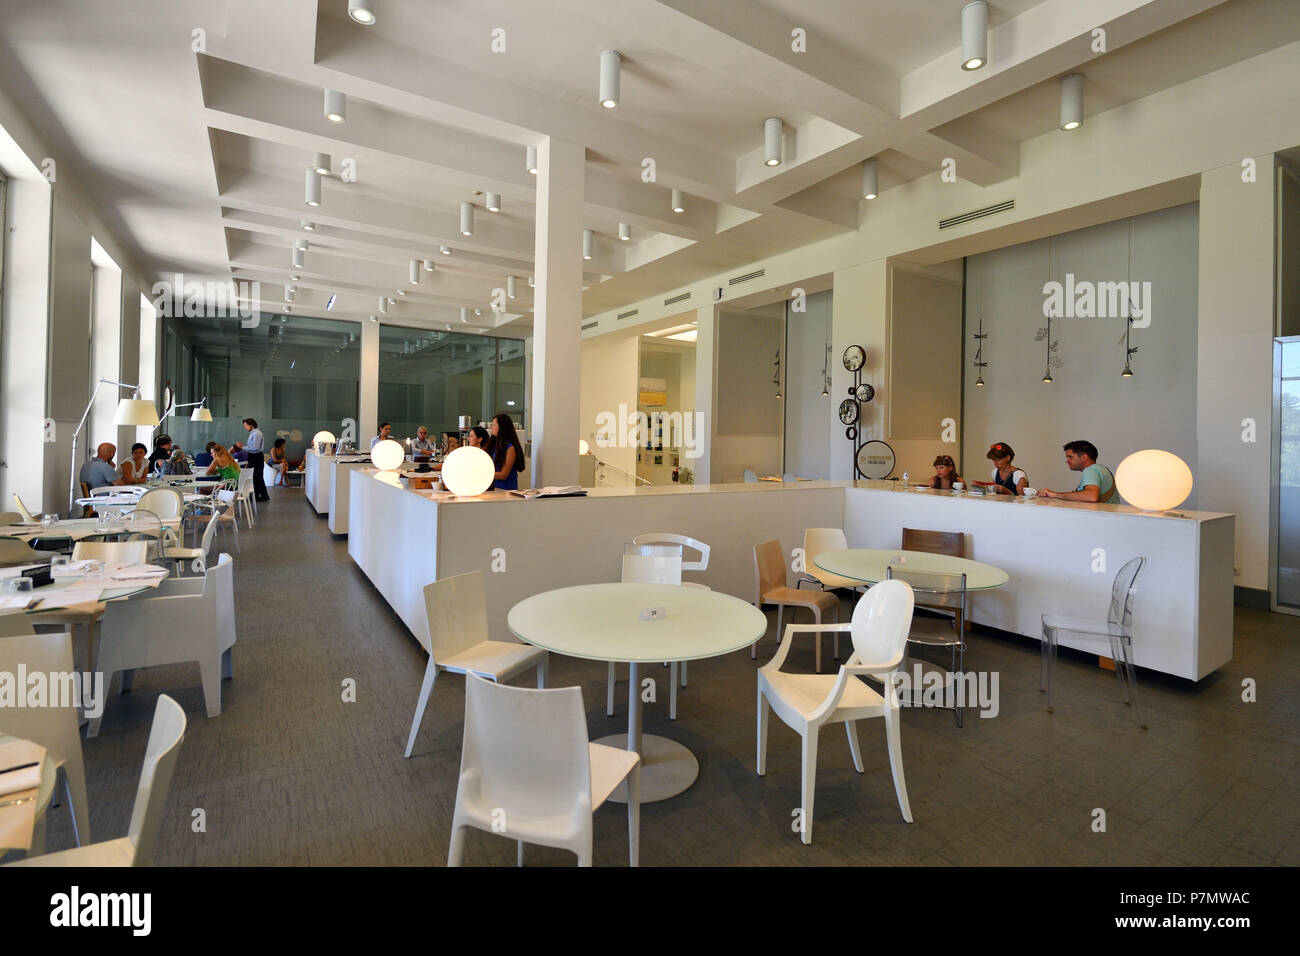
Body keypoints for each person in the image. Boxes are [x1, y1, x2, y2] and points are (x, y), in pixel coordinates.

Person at [1039, 440, 1117, 503]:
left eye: (1070, 457)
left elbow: (1091, 496)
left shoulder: (1090, 470)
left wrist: (1055, 495)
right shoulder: (1101, 469)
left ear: (1084, 457)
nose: (1067, 461)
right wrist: (1053, 494)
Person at [486, 413, 525, 491]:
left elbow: (504, 475)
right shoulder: (494, 445)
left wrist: (483, 474)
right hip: (494, 488)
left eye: (494, 425)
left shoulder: (510, 448)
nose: (492, 428)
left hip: (506, 490)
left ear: (502, 427)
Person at [234, 417, 269, 502]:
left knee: (258, 476)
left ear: (251, 425)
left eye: (245, 425)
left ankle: (264, 496)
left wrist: (242, 447)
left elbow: (255, 448)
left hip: (256, 456)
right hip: (253, 456)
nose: (245, 427)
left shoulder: (256, 434)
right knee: (255, 477)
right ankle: (256, 495)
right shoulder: (253, 433)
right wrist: (244, 447)